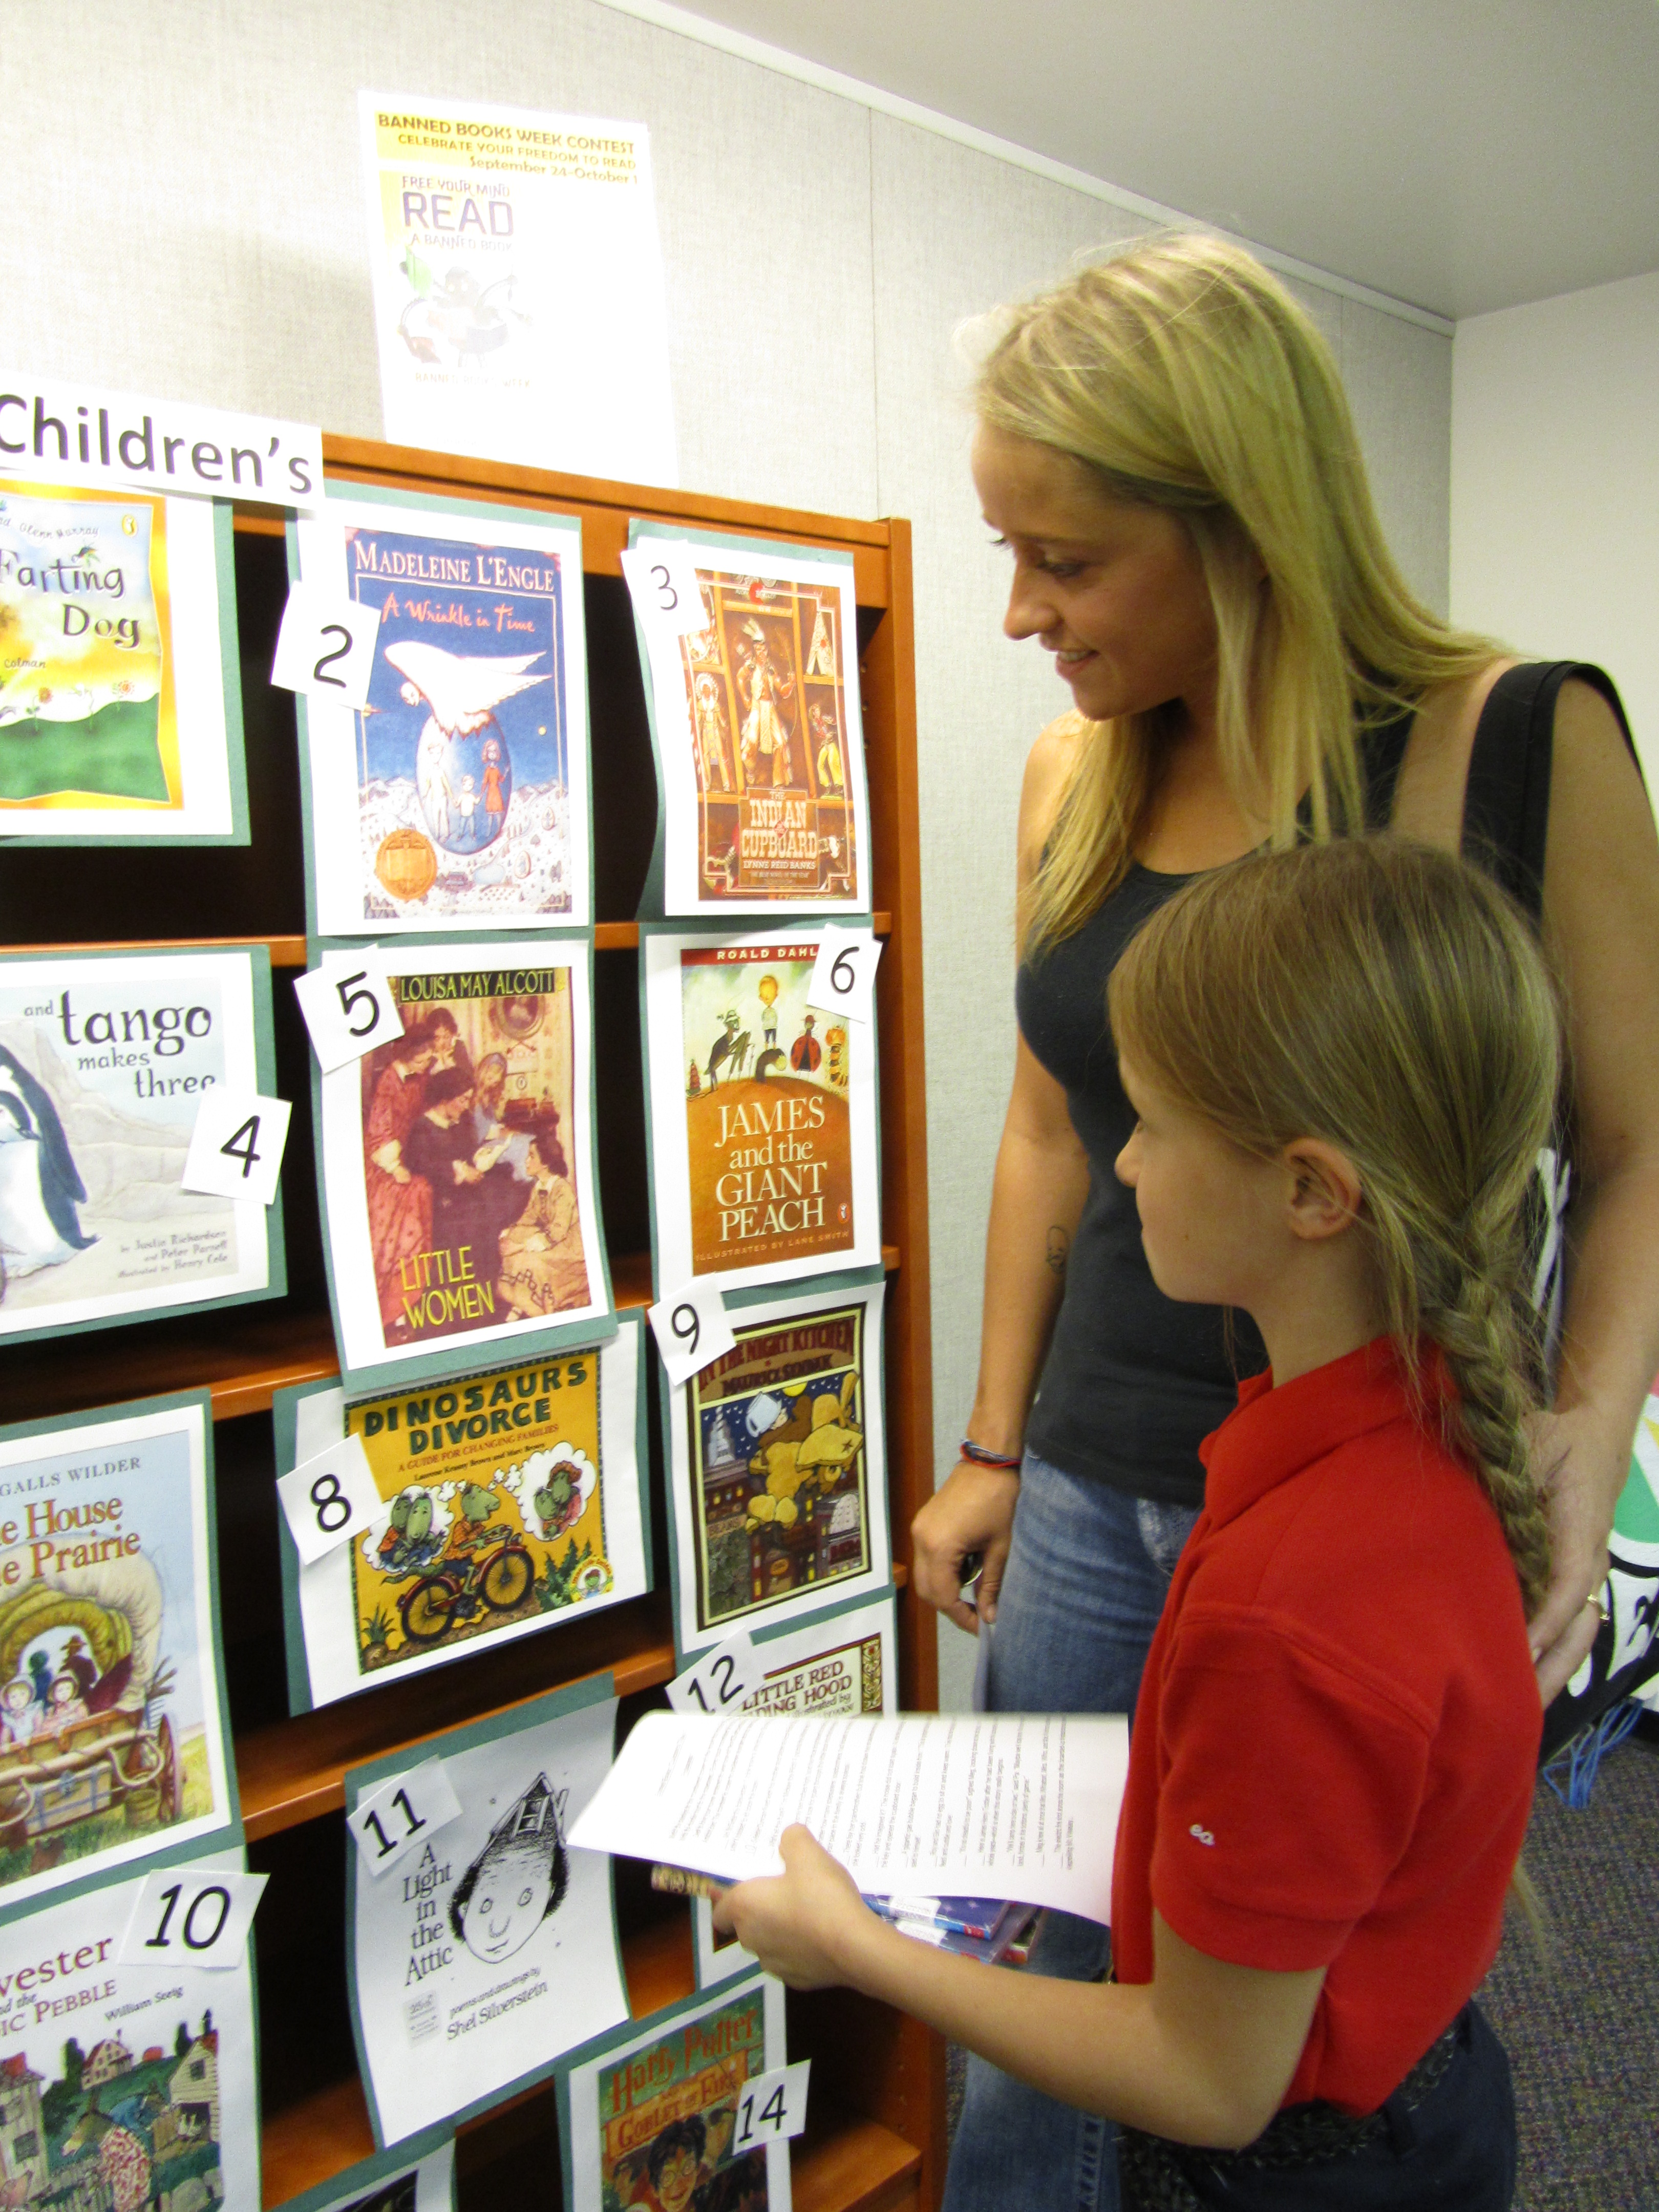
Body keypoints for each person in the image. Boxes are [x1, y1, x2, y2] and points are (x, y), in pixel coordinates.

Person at [906, 234, 1659, 2211]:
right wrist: (993, 1439)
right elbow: (1059, 1131)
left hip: (1369, 1511)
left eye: (1064, 560)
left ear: (1241, 522)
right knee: (1034, 1985)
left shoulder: (1522, 738)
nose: (1017, 614)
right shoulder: (1079, 768)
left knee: (1304, 2039)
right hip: (1094, 1487)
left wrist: (1587, 1441)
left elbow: (1640, 1141)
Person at [719, 837, 1559, 2211]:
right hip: (1421, 2107)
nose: (1118, 1163)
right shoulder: (1421, 1420)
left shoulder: (1293, 1604)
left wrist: (855, 1949)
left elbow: (1210, 2078)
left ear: (1309, 1191)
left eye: (1154, 1124)